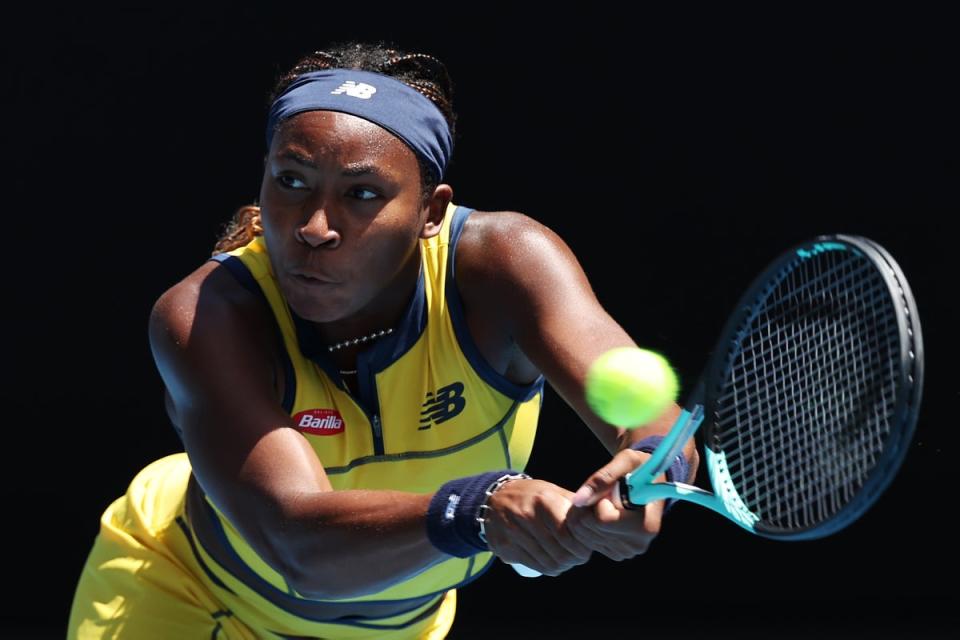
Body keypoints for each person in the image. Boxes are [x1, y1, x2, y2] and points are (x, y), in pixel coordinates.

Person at [68, 41, 699, 639]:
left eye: (362, 194)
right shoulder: (205, 314)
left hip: (404, 625)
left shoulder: (507, 265)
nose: (315, 227)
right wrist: (479, 508)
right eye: (291, 181)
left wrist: (649, 467)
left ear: (431, 212)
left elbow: (654, 423)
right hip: (192, 601)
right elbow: (299, 546)